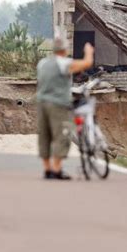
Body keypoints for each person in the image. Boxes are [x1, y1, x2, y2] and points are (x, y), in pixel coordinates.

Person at [37, 37, 94, 180]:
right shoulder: (64, 63)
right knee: (61, 135)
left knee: (44, 135)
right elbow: (87, 63)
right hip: (58, 104)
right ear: (65, 50)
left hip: (41, 102)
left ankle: (47, 169)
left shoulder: (42, 63)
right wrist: (88, 51)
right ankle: (56, 170)